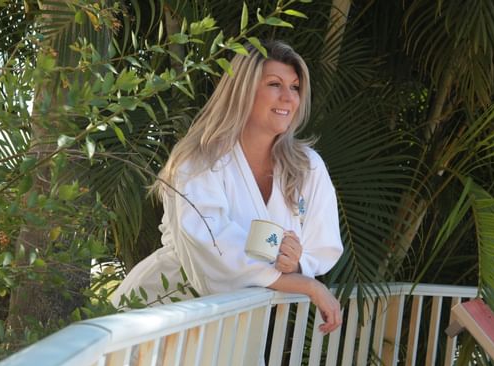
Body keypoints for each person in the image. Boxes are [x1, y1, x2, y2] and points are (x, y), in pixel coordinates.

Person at [112, 40, 343, 333]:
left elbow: (322, 245)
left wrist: (296, 265)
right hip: (161, 313)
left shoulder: (307, 167)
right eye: (275, 84)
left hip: (239, 324)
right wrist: (304, 284)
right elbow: (209, 242)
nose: (288, 97)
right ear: (244, 91)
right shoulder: (198, 158)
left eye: (295, 87)